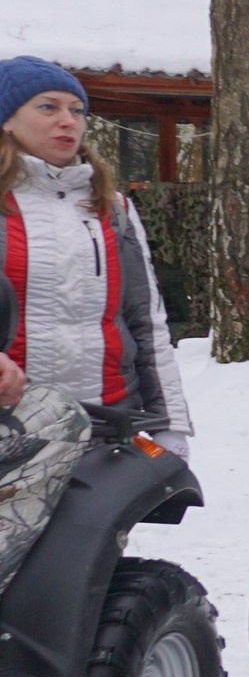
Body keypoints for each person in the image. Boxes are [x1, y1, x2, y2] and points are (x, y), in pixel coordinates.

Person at [0, 58, 193, 446]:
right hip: (12, 426)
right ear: (6, 119)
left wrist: (168, 424)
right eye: (47, 107)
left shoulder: (112, 206)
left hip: (107, 424)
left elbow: (146, 322)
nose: (68, 120)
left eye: (77, 110)